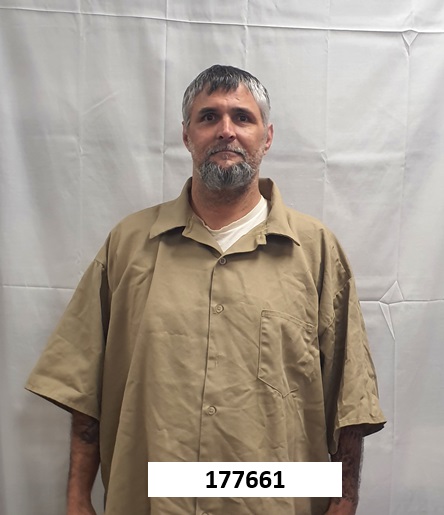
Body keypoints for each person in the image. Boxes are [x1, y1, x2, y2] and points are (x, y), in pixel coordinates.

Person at [26, 64, 386, 515]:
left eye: (243, 117)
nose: (226, 130)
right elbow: (84, 386)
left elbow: (350, 400)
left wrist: (345, 501)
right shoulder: (128, 246)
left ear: (267, 136)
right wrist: (78, 496)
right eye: (209, 117)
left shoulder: (315, 252)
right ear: (186, 135)